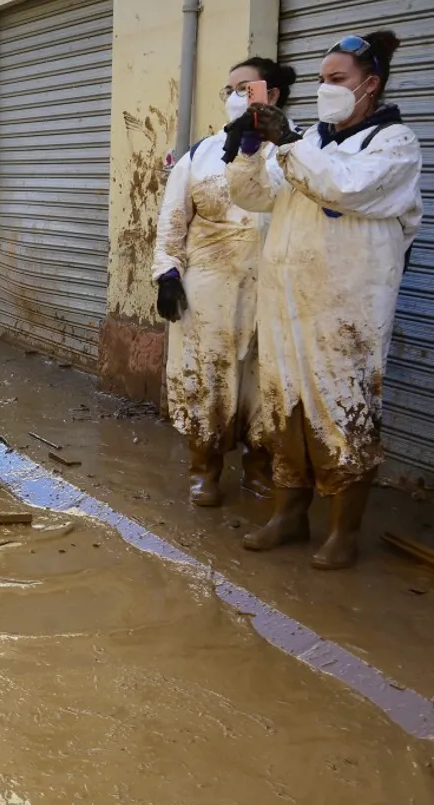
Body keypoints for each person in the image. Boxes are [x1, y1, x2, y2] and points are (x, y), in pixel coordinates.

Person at [225, 31, 423, 569]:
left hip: (346, 308)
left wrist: (285, 143)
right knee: (284, 405)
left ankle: (343, 530)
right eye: (320, 80)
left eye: (337, 80)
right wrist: (246, 152)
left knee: (344, 410)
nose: (325, 89)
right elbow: (253, 194)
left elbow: (345, 188)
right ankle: (289, 514)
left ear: (370, 85)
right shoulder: (309, 140)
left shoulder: (395, 144)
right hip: (286, 301)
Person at [152, 57, 295, 507]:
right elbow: (172, 221)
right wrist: (167, 274)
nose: (235, 96)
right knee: (207, 377)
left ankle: (259, 468)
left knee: (266, 380)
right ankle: (205, 469)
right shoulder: (200, 154)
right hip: (209, 289)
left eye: (245, 88)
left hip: (275, 286)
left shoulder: (298, 151)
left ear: (270, 96)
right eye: (229, 89)